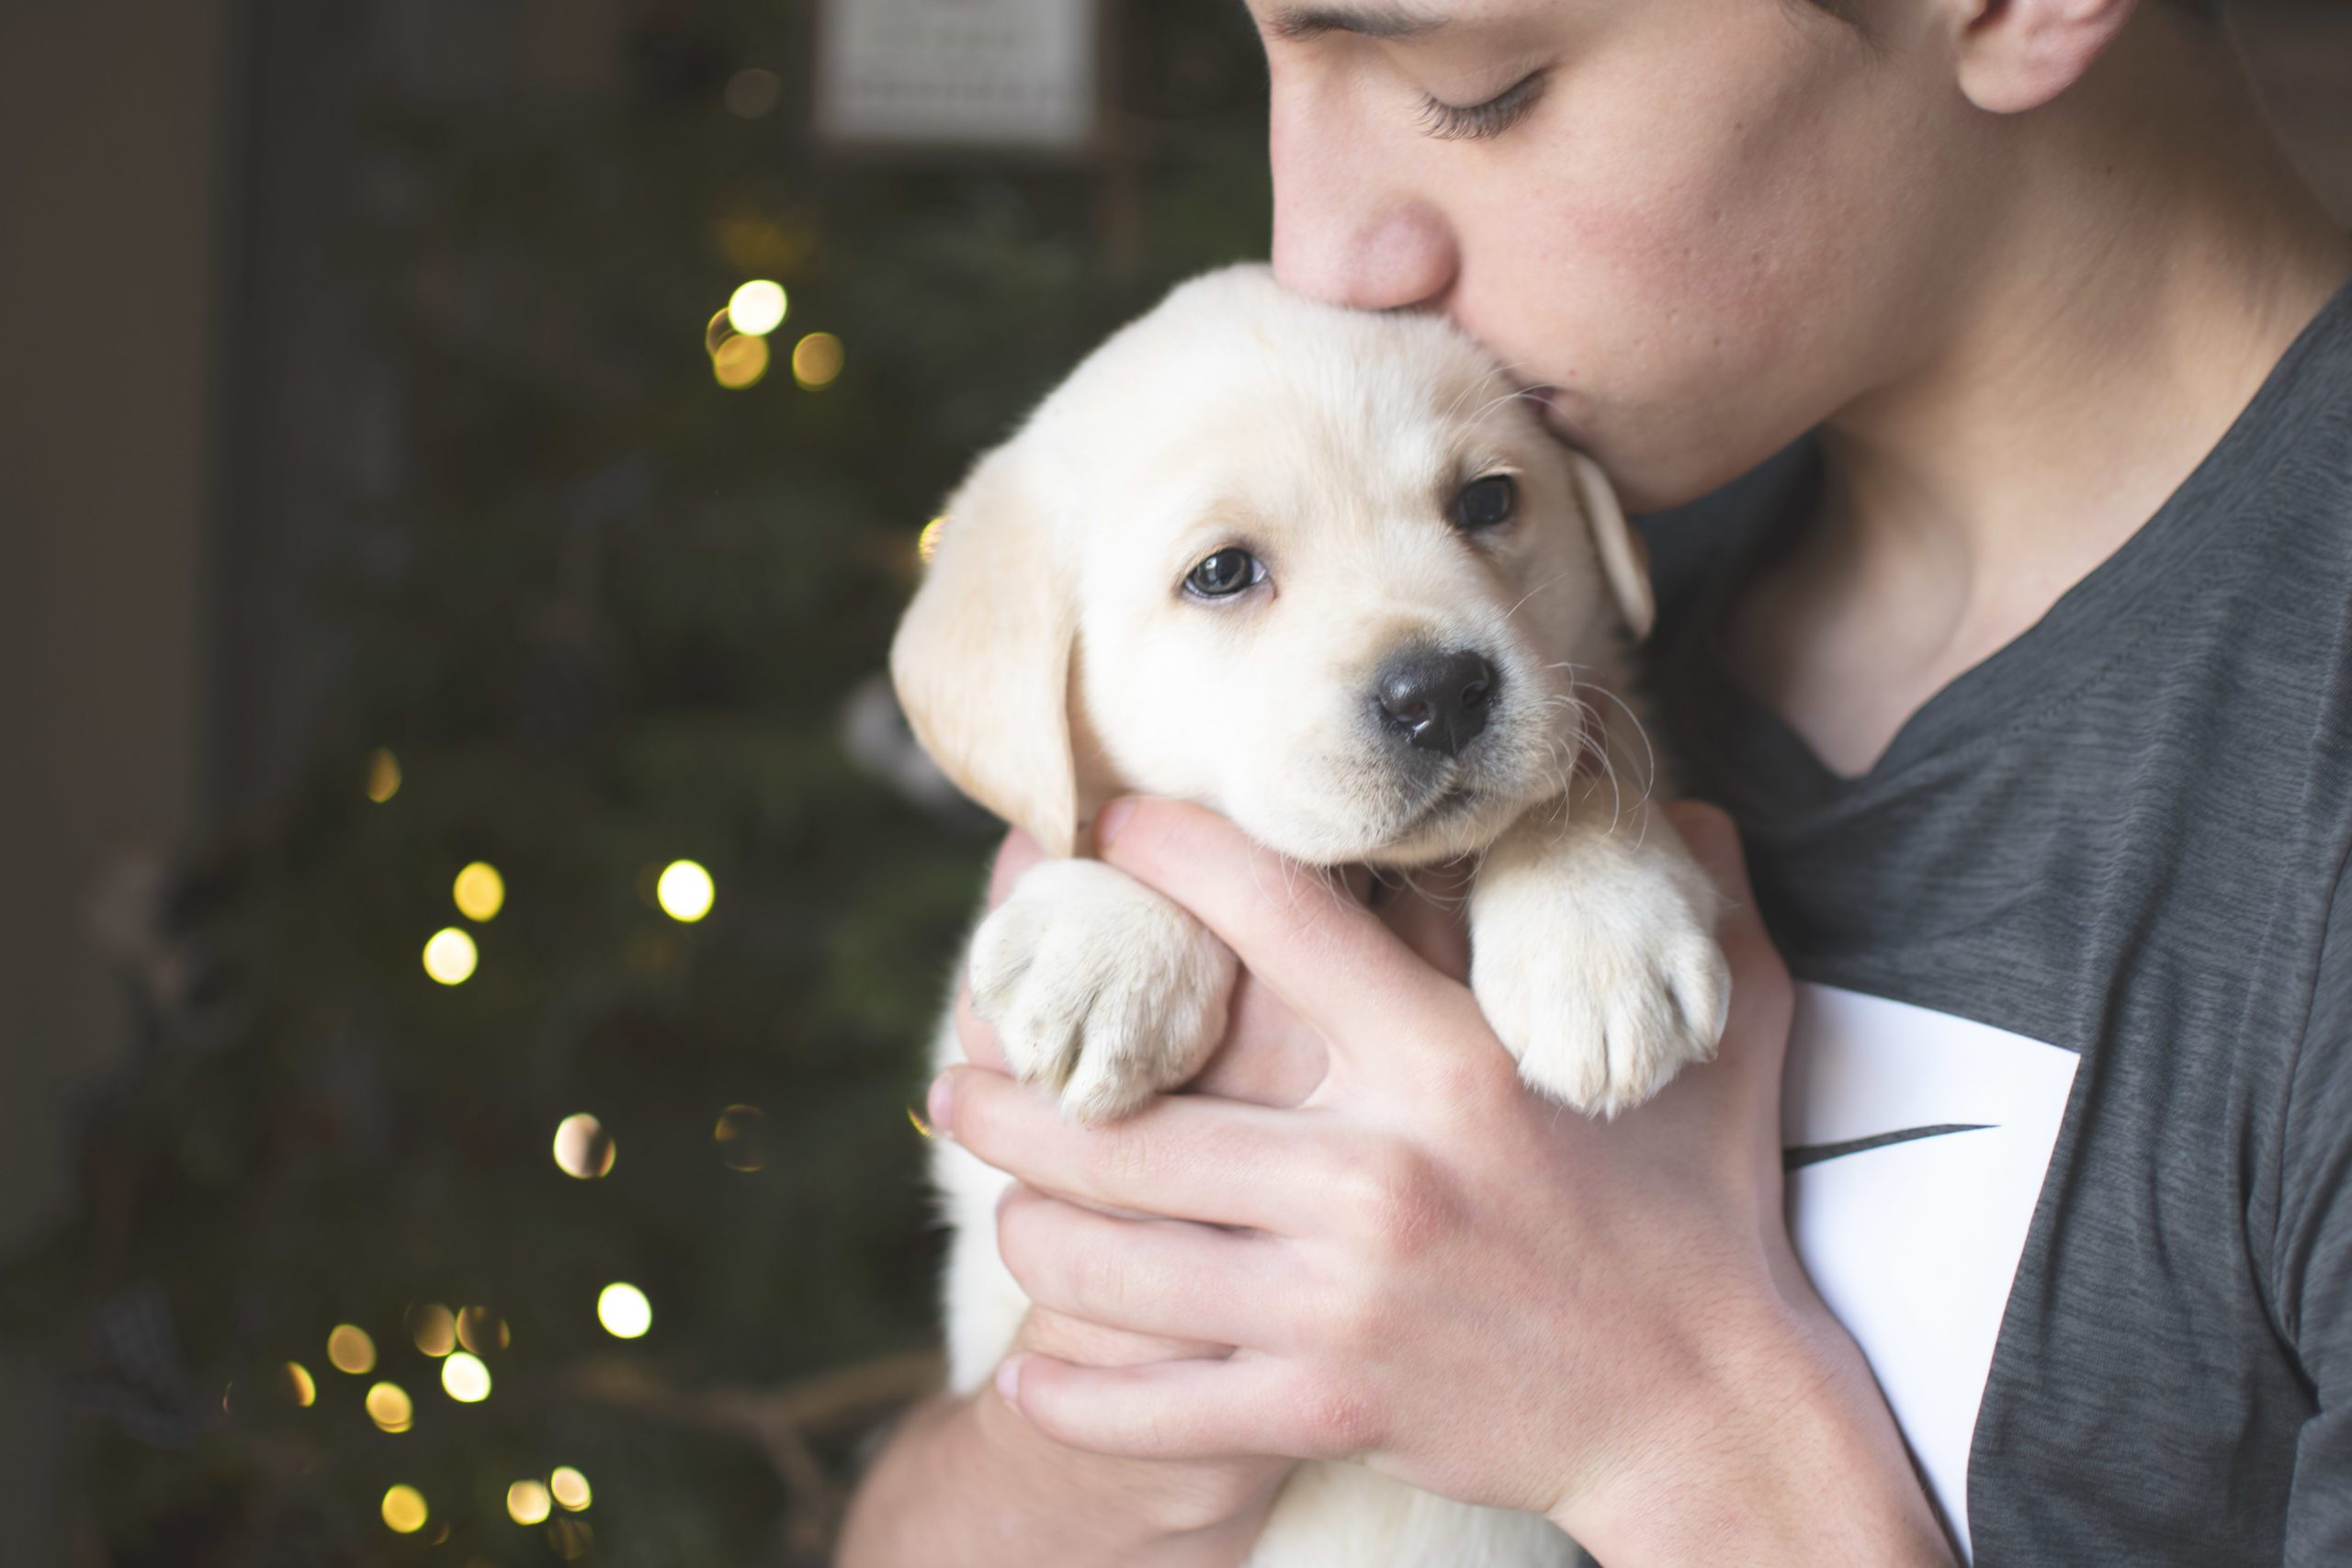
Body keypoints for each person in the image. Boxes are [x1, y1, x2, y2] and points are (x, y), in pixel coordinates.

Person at [839, 0, 2352, 1562]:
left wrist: (1665, 1425)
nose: (1323, 251)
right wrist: (1129, 1415)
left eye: (1481, 89)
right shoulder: (1604, 523)